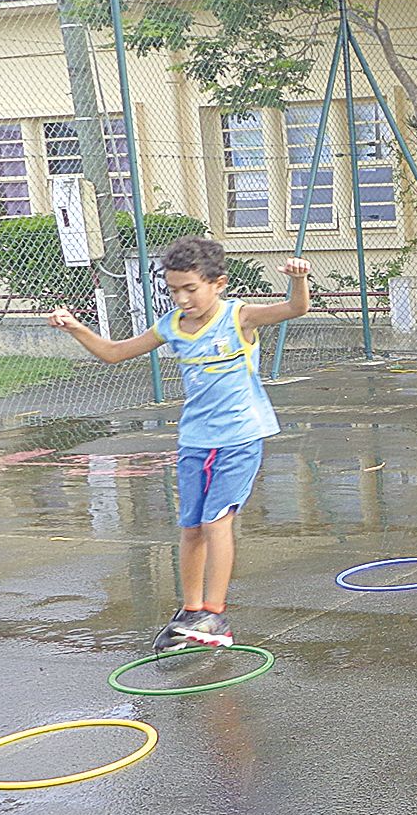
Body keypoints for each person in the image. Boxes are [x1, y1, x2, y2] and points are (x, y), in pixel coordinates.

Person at [47, 237, 310, 650]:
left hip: (239, 438)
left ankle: (216, 617)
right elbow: (115, 353)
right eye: (174, 290)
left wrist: (298, 282)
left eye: (191, 288)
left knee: (216, 521)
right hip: (194, 441)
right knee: (190, 528)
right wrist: (78, 328)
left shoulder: (239, 317)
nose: (182, 298)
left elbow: (295, 309)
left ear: (218, 283)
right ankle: (192, 613)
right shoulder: (171, 325)